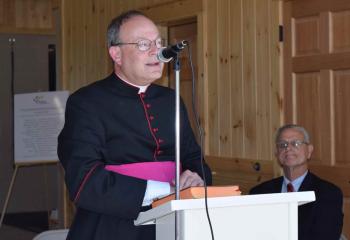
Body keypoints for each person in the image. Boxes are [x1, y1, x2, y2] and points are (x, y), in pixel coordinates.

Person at [58, 10, 212, 240]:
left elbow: (193, 157)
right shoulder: (87, 102)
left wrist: (196, 178)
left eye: (158, 42)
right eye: (142, 44)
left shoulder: (171, 99)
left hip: (177, 222)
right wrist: (165, 191)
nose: (157, 51)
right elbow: (84, 178)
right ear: (116, 54)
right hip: (114, 224)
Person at [250, 124, 343, 240]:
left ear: (309, 151)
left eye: (295, 143)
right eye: (283, 145)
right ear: (277, 153)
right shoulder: (258, 193)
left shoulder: (328, 193)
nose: (288, 148)